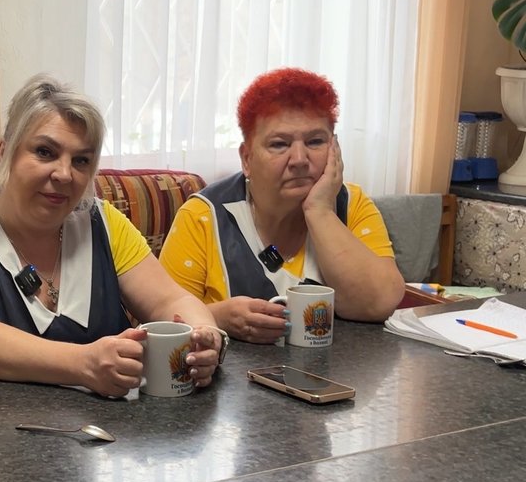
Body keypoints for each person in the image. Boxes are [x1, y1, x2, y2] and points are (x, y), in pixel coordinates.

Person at [0, 74, 225, 398]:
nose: (64, 174)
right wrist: (84, 364)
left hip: (96, 428)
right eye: (45, 152)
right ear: (5, 152)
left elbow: (171, 300)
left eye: (81, 161)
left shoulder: (105, 223)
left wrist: (205, 338)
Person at [159, 68, 405, 344]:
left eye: (315, 141)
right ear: (247, 158)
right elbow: (165, 324)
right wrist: (217, 317)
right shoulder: (203, 216)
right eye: (279, 144)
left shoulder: (352, 204)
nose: (299, 159)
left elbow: (380, 303)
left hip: (340, 370)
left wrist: (320, 211)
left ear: (335, 148)